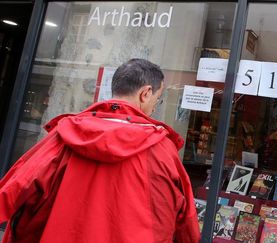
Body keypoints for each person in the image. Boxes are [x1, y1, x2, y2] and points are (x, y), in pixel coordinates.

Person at [0, 59, 200, 243]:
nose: (155, 106)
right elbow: (186, 221)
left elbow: (14, 191)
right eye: (158, 99)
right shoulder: (161, 149)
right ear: (145, 93)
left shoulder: (64, 136)